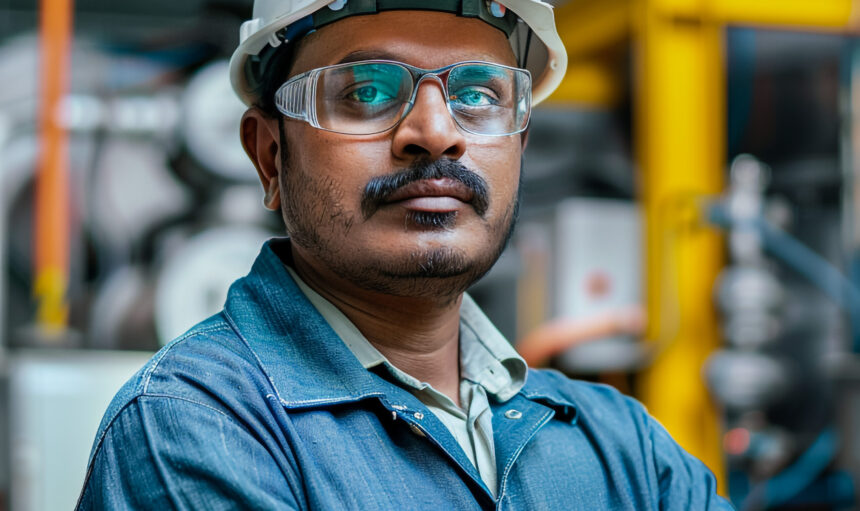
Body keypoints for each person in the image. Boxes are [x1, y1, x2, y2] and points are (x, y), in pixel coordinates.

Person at [77, 1, 735, 509]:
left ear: (521, 146)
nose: (436, 132)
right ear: (270, 156)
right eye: (365, 91)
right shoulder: (198, 425)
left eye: (479, 95)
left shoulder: (624, 448)